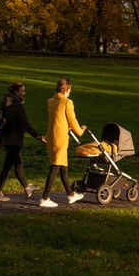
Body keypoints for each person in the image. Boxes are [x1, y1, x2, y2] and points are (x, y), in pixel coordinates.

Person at [0, 82, 46, 202]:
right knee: (7, 167)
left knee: (18, 164)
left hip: (7, 139)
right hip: (14, 140)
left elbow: (4, 122)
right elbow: (25, 124)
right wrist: (38, 136)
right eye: (22, 91)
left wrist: (0, 139)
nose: (24, 93)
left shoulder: (5, 103)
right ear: (16, 92)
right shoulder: (17, 106)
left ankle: (27, 188)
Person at [39, 78, 86, 207]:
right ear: (67, 89)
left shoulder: (50, 101)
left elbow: (58, 119)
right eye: (70, 90)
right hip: (60, 139)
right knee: (55, 167)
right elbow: (72, 120)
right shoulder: (67, 102)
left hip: (51, 137)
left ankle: (71, 195)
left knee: (62, 167)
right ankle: (45, 198)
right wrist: (80, 131)